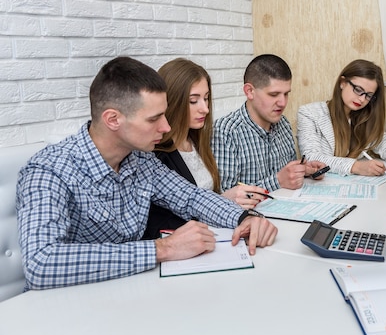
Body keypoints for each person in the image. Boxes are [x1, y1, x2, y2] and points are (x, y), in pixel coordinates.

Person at [16, 56, 278, 291]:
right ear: (113, 119)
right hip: (65, 311)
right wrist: (162, 249)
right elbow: (41, 263)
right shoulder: (48, 170)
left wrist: (245, 217)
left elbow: (190, 197)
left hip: (131, 292)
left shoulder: (140, 159)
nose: (165, 127)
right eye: (154, 119)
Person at [142, 58, 269, 239]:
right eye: (193, 101)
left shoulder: (199, 140)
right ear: (170, 102)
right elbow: (169, 220)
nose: (205, 109)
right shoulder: (155, 156)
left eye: (206, 98)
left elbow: (200, 196)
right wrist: (224, 200)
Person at [212, 54, 326, 192]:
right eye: (273, 95)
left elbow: (287, 175)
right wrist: (278, 181)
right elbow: (224, 196)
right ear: (250, 91)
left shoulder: (283, 123)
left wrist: (304, 171)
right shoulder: (225, 132)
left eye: (286, 94)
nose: (283, 103)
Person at [296, 59, 386, 177]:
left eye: (369, 95)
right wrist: (356, 166)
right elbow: (312, 158)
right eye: (358, 90)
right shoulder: (309, 113)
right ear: (342, 82)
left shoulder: (366, 117)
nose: (362, 99)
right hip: (319, 188)